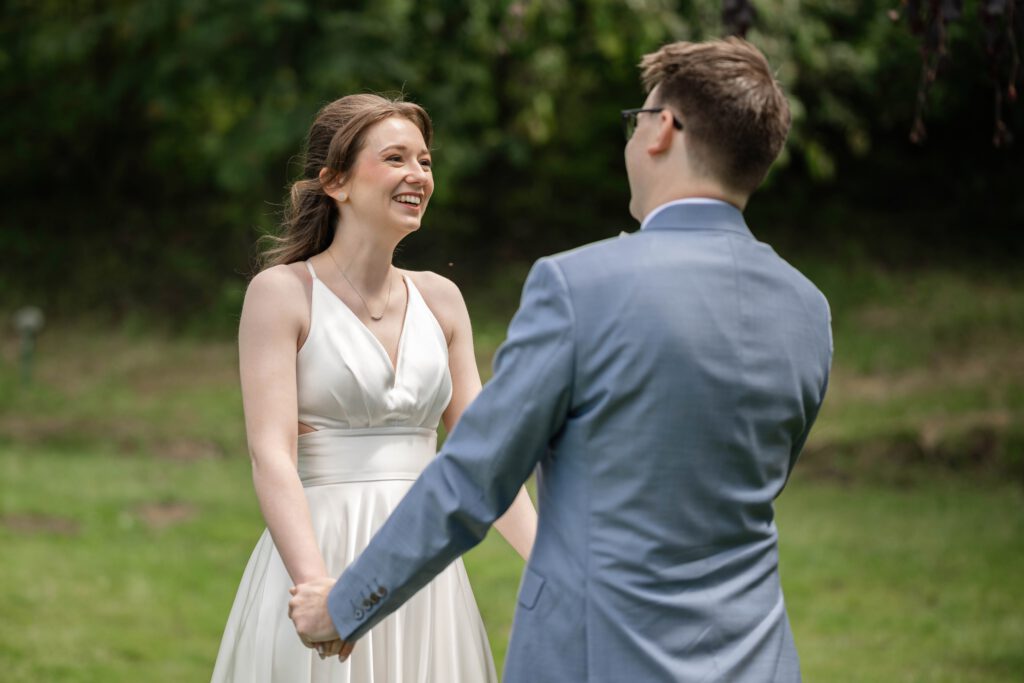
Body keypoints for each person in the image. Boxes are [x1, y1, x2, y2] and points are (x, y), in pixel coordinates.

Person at [290, 38, 832, 682]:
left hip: (599, 657)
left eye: (636, 121)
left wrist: (343, 605)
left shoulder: (580, 287)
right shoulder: (807, 309)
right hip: (758, 659)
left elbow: (473, 478)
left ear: (662, 130)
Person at [210, 93, 538, 683]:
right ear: (335, 181)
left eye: (425, 161)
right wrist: (320, 593)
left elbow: (485, 458)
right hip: (322, 552)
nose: (418, 174)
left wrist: (550, 564)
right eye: (395, 158)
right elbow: (271, 454)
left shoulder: (442, 300)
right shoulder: (282, 294)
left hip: (424, 565)